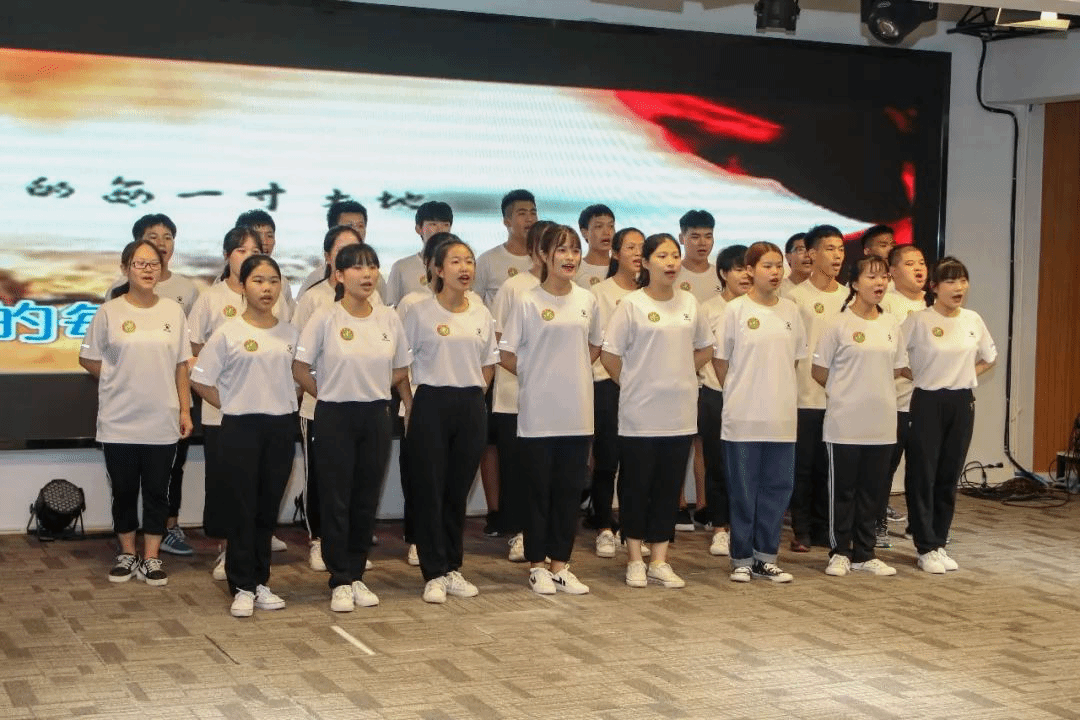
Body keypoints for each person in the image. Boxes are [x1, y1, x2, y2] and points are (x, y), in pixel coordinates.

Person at [293, 243, 412, 611]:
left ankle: (357, 573)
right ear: (340, 275)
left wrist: (372, 389)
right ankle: (340, 578)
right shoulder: (325, 317)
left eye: (372, 266)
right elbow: (300, 367)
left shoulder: (389, 318)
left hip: (375, 414)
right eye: (358, 268)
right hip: (334, 415)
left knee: (365, 498)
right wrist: (329, 393)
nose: (367, 274)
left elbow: (401, 367)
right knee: (336, 498)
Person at [600, 233, 713, 589]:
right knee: (635, 486)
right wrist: (635, 383)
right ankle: (635, 558)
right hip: (640, 415)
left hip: (679, 413)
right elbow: (610, 355)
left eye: (674, 255)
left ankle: (660, 559)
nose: (670, 262)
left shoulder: (689, 303)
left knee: (668, 487)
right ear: (646, 262)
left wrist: (680, 372)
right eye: (662, 256)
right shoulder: (631, 305)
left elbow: (705, 348)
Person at [191, 254, 300, 618]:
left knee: (267, 509)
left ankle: (260, 581)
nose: (267, 288)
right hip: (240, 428)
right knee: (242, 508)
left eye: (273, 281)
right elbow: (200, 380)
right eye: (258, 281)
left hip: (280, 427)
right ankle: (241, 585)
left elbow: (302, 377)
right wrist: (233, 404)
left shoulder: (291, 334)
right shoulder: (228, 332)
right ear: (243, 286)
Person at [79, 239, 192, 586]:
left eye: (153, 264)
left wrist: (185, 410)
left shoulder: (172, 312)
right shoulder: (110, 312)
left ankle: (152, 557)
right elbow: (90, 357)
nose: (147, 269)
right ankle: (127, 553)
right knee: (124, 491)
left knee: (158, 492)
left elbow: (181, 365)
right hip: (119, 420)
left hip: (162, 418)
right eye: (139, 263)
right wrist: (118, 373)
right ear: (125, 268)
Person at [499, 224, 602, 595]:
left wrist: (570, 372)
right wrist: (538, 375)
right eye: (561, 250)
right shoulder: (527, 301)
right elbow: (507, 354)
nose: (570, 257)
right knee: (538, 492)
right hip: (538, 414)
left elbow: (595, 346)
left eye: (574, 250)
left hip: (578, 412)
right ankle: (537, 565)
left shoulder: (587, 300)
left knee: (568, 492)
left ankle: (561, 565)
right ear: (543, 255)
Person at [402, 236, 499, 603]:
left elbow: (488, 362)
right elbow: (401, 363)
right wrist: (411, 404)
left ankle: (452, 567)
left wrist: (476, 395)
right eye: (456, 261)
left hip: (470, 403)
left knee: (457, 491)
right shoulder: (419, 312)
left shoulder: (480, 312)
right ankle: (433, 572)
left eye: (469, 261)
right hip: (430, 403)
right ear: (438, 270)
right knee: (430, 490)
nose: (465, 268)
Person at [106, 213, 200, 557]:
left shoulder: (185, 292)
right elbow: (101, 353)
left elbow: (185, 355)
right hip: (125, 409)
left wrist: (184, 406)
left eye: (167, 237)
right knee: (126, 484)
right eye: (152, 237)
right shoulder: (115, 296)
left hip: (171, 403)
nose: (161, 244)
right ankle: (129, 548)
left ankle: (164, 535)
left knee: (168, 475)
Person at [712, 241, 807, 584]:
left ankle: (766, 558)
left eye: (779, 265)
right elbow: (721, 362)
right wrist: (742, 392)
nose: (775, 272)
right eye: (767, 265)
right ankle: (741, 558)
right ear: (750, 270)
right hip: (743, 419)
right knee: (743, 491)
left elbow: (793, 361)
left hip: (781, 419)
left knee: (776, 490)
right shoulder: (735, 310)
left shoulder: (791, 311)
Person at [812, 255, 906, 578]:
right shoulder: (838, 324)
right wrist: (846, 393)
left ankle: (865, 553)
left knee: (872, 493)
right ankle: (840, 552)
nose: (880, 283)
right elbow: (819, 371)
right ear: (854, 283)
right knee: (843, 492)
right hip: (844, 424)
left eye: (884, 277)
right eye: (871, 277)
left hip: (882, 424)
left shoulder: (891, 324)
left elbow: (896, 369)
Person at [902, 256, 996, 574]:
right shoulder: (918, 320)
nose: (959, 287)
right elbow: (895, 359)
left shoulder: (972, 319)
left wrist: (966, 375)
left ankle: (939, 542)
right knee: (923, 474)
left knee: (948, 474)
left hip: (962, 401)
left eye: (963, 280)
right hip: (928, 401)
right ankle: (925, 546)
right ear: (934, 287)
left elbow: (989, 357)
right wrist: (922, 374)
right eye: (951, 281)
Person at [291, 225, 364, 572]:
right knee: (321, 478)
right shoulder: (313, 299)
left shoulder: (374, 301)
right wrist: (328, 394)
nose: (351, 259)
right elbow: (298, 357)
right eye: (342, 251)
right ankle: (319, 539)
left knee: (356, 478)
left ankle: (349, 543)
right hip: (318, 406)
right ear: (328, 258)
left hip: (361, 408)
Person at [474, 190, 538, 537]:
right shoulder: (489, 261)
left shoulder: (554, 270)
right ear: (506, 220)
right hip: (501, 368)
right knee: (497, 444)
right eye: (522, 213)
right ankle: (498, 511)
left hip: (542, 377)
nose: (529, 218)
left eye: (533, 212)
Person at [490, 220, 552, 562]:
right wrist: (533, 374)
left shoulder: (571, 291)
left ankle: (547, 535)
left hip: (556, 401)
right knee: (516, 469)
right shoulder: (514, 288)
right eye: (548, 245)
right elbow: (500, 341)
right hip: (515, 395)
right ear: (534, 250)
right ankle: (517, 533)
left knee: (548, 471)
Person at [786, 224, 847, 552]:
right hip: (805, 394)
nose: (837, 255)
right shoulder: (796, 297)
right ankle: (802, 530)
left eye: (840, 249)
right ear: (811, 253)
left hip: (841, 397)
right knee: (804, 466)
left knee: (830, 467)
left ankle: (825, 528)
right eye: (829, 248)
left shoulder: (849, 296)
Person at [587, 227, 643, 558]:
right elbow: (597, 343)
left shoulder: (649, 292)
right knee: (607, 458)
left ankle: (633, 528)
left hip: (643, 388)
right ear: (616, 253)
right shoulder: (599, 292)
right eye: (631, 247)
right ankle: (604, 526)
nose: (637, 253)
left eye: (642, 247)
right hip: (607, 381)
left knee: (636, 461)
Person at [698, 244, 750, 558]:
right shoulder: (708, 309)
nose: (745, 275)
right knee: (717, 464)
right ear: (723, 273)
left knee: (746, 466)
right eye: (739, 269)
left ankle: (744, 526)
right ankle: (719, 528)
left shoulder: (761, 308)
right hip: (715, 395)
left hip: (752, 398)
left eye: (749, 269)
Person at [876, 244, 928, 546]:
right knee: (884, 468)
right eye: (909, 264)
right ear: (893, 271)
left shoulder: (933, 303)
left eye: (921, 263)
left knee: (923, 470)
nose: (918, 268)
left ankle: (920, 526)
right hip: (894, 402)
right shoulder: (886, 304)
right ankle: (876, 524)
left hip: (926, 403)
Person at [386, 200, 453, 306]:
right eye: (433, 224)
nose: (440, 230)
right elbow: (390, 307)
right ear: (418, 229)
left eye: (445, 225)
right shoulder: (401, 267)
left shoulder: (458, 267)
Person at [235, 209, 295, 312]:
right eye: (257, 235)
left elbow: (292, 318)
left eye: (270, 236)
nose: (264, 242)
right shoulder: (228, 281)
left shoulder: (282, 282)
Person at [575, 204, 615, 289]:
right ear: (584, 233)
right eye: (599, 226)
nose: (607, 232)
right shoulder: (575, 269)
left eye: (611, 226)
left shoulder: (622, 268)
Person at [779, 232, 810, 297]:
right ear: (788, 257)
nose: (807, 255)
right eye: (801, 250)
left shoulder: (823, 289)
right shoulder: (777, 290)